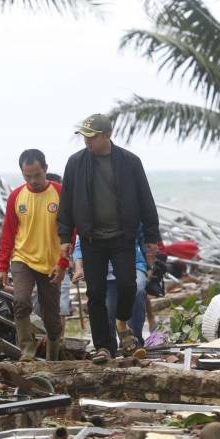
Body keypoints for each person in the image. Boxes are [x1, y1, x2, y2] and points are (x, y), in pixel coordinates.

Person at [57, 113, 160, 362]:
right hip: (91, 239)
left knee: (128, 285)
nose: (87, 142)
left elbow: (146, 200)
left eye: (91, 137)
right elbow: (67, 202)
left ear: (107, 135)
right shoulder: (75, 163)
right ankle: (104, 347)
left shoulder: (130, 162)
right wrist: (64, 238)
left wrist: (151, 237)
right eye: (84, 137)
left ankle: (121, 322)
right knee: (96, 293)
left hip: (122, 237)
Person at [0, 149, 68, 362]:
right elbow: (8, 233)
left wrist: (63, 263)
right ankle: (27, 352)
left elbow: (69, 232)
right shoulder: (16, 196)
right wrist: (2, 267)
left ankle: (53, 356)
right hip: (22, 258)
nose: (33, 180)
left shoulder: (60, 193)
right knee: (20, 300)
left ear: (45, 168)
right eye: (28, 176)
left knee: (52, 317)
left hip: (51, 263)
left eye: (37, 174)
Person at [73, 225, 148, 356]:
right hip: (104, 271)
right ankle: (109, 349)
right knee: (109, 309)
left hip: (132, 264)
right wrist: (79, 268)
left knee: (138, 290)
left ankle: (136, 340)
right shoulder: (87, 217)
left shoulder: (126, 211)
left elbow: (143, 235)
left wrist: (150, 262)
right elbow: (80, 245)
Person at [32, 173, 73, 337]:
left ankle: (58, 342)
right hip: (37, 263)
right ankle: (46, 340)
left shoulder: (64, 211)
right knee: (41, 305)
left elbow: (72, 236)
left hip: (60, 264)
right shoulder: (39, 210)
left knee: (60, 306)